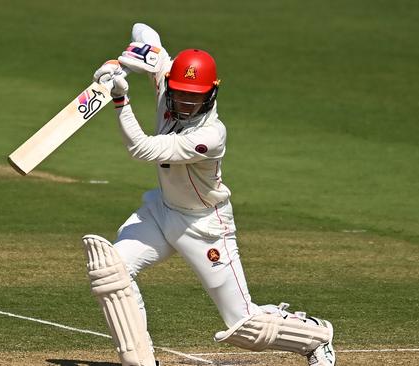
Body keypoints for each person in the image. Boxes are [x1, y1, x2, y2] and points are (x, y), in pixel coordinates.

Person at [81, 23, 336, 366]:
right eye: (181, 93)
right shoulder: (166, 79)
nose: (186, 103)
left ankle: (316, 337)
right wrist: (119, 64)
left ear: (211, 93)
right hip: (161, 211)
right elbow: (144, 33)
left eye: (195, 96)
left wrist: (120, 97)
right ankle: (140, 362)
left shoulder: (211, 135)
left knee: (245, 326)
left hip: (203, 225)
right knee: (110, 270)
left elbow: (141, 149)